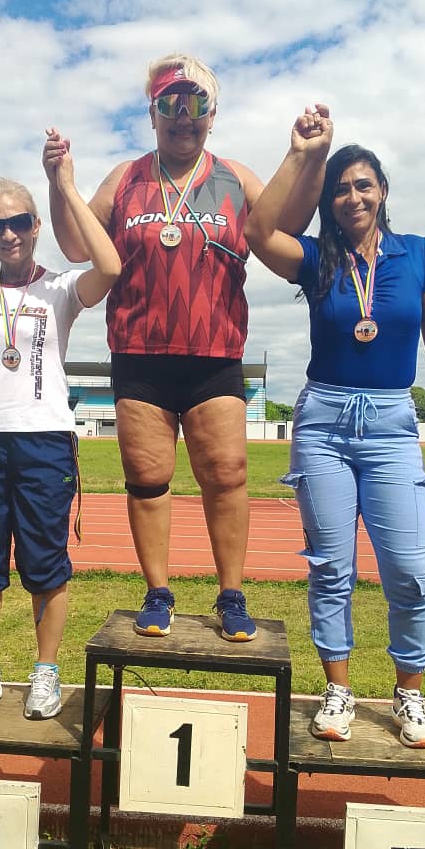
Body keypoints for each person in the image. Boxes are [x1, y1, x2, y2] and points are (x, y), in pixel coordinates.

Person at [245, 107, 425, 747]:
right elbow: (260, 231)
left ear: (383, 192)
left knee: (408, 569)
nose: (352, 197)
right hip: (323, 421)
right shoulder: (316, 258)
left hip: (394, 422)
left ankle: (409, 697)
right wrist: (303, 155)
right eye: (340, 189)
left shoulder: (417, 254)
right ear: (328, 200)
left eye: (363, 185)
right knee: (332, 569)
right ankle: (338, 692)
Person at [43, 53, 263, 642]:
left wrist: (308, 158)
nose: (182, 116)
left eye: (195, 105)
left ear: (211, 116)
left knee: (227, 474)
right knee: (147, 477)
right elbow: (72, 245)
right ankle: (158, 590)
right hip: (140, 352)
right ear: (152, 113)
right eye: (170, 104)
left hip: (214, 351)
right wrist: (58, 184)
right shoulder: (124, 178)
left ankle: (232, 593)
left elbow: (279, 231)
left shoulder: (236, 178)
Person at [0, 158, 121, 719]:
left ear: (37, 224)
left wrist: (63, 185)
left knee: (45, 562)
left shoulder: (61, 287)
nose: (8, 234)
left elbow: (109, 265)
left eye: (19, 221)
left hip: (44, 442)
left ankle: (45, 672)